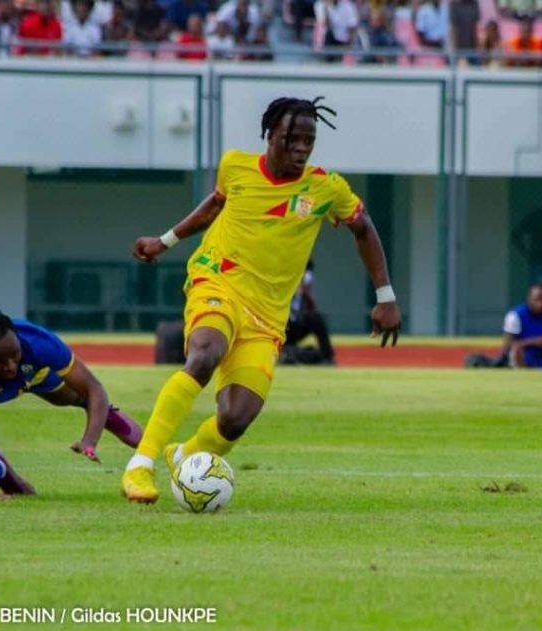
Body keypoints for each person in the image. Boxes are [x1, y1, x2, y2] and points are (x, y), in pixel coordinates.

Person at [121, 96, 402, 504]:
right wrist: (164, 242)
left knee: (236, 418)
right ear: (270, 135)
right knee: (204, 353)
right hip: (217, 281)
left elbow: (364, 228)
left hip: (267, 315)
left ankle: (182, 456)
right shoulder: (235, 165)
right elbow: (215, 205)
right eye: (292, 139)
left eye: (308, 141)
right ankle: (140, 465)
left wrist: (385, 296)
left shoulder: (326, 188)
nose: (301, 148)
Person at [0, 312, 143, 500]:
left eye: (14, 355)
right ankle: (0, 469)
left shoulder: (36, 341)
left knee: (78, 392)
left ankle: (100, 412)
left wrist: (90, 439)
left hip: (30, 369)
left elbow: (93, 386)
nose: (10, 366)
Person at [281, 260, 335, 364]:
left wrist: (305, 292)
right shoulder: (284, 284)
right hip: (283, 327)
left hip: (296, 325)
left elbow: (311, 307)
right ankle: (286, 352)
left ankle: (327, 356)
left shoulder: (304, 292)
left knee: (316, 319)